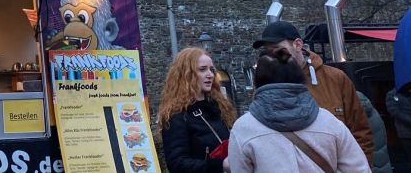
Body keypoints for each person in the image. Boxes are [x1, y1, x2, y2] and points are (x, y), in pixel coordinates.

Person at [228, 48, 370, 173]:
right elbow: (359, 169)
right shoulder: (329, 122)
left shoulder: (244, 129)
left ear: (258, 81)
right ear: (299, 77)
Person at [252, 21, 373, 164]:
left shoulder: (335, 78)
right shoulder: (265, 86)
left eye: (277, 49)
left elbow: (360, 132)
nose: (272, 55)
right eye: (267, 50)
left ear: (297, 45)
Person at [158, 46, 235, 173]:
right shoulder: (177, 116)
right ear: (186, 75)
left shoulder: (220, 107)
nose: (210, 75)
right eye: (202, 70)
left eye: (211, 69)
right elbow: (177, 164)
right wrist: (220, 165)